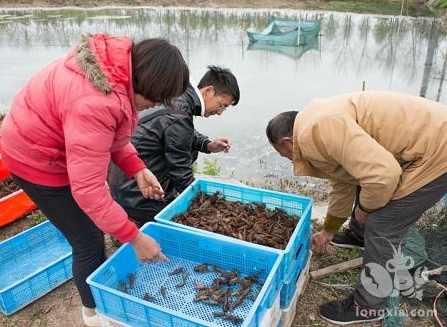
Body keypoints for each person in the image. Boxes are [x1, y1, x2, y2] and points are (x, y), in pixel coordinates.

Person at [0, 34, 189, 326]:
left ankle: (99, 304)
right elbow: (88, 190)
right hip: (35, 158)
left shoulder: (116, 69)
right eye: (152, 100)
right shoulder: (95, 101)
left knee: (92, 229)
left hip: (53, 143)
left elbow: (110, 130)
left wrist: (136, 167)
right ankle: (93, 314)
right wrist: (135, 237)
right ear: (144, 83)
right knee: (87, 239)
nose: (151, 107)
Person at [266, 91, 447, 325]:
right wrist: (329, 230)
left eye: (284, 155)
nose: (288, 160)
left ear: (287, 141)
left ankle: (369, 305)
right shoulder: (315, 121)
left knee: (384, 224)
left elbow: (384, 175)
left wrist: (364, 209)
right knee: (367, 185)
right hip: (429, 142)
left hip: (438, 151)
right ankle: (359, 236)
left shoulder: (318, 129)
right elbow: (344, 178)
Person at [109, 66, 240, 226]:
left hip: (121, 181)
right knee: (182, 217)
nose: (220, 112)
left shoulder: (179, 95)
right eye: (222, 105)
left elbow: (181, 132)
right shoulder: (179, 114)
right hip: (135, 192)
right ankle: (138, 217)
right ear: (208, 91)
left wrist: (207, 145)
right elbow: (181, 172)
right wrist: (205, 205)